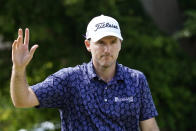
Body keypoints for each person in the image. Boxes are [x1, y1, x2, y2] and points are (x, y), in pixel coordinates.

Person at [10, 15, 159, 131]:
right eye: (101, 43)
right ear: (88, 45)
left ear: (120, 43)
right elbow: (22, 100)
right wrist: (18, 69)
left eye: (113, 42)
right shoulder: (68, 80)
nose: (107, 50)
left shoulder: (136, 80)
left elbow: (150, 127)